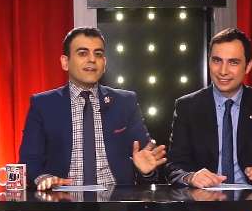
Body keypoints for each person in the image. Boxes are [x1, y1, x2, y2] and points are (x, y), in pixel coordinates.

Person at [19, 27, 166, 190]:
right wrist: (44, 179)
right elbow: (29, 160)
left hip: (116, 198)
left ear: (104, 63)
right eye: (83, 53)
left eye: (98, 54)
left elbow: (147, 159)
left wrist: (147, 172)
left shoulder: (125, 102)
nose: (92, 59)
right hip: (62, 198)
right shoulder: (43, 104)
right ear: (65, 62)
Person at [165, 27, 252, 188]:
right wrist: (190, 177)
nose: (223, 71)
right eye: (217, 61)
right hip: (202, 199)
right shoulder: (187, 106)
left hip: (251, 200)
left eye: (233, 62)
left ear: (248, 66)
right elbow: (174, 167)